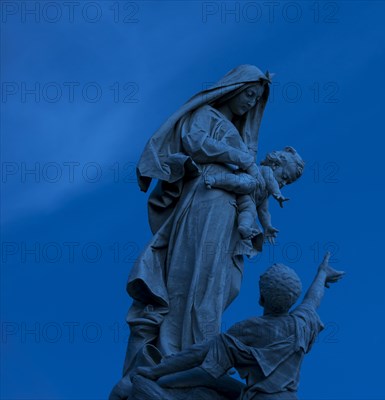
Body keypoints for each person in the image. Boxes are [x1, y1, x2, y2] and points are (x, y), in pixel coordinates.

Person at [110, 65, 273, 399]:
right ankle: (178, 354)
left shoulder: (238, 136)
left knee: (219, 284)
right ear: (234, 88)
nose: (249, 103)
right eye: (248, 94)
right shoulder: (205, 115)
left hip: (225, 210)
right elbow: (194, 143)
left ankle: (200, 353)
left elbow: (248, 181)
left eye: (255, 99)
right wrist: (240, 157)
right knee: (195, 277)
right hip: (204, 200)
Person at [131, 253, 345, 400]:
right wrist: (322, 274)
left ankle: (163, 384)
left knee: (207, 376)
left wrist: (156, 371)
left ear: (261, 298)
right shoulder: (302, 323)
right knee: (217, 380)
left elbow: (199, 354)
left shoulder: (250, 328)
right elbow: (313, 299)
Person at [204, 147, 304, 245]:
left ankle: (244, 227)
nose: (284, 183)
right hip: (249, 180)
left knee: (251, 211)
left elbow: (264, 212)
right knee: (242, 182)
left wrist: (267, 226)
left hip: (248, 198)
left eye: (288, 182)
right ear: (275, 165)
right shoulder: (267, 171)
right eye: (284, 177)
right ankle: (215, 180)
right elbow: (271, 181)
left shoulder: (265, 195)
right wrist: (277, 193)